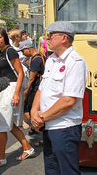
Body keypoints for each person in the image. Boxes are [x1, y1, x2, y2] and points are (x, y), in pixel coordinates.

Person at [31, 21, 88, 175]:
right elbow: (41, 89)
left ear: (63, 38)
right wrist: (34, 111)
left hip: (65, 128)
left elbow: (69, 100)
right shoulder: (51, 60)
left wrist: (41, 117)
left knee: (67, 171)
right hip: (49, 126)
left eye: (50, 35)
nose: (47, 39)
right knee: (51, 170)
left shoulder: (75, 62)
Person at [0, 27, 34, 169]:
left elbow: (19, 73)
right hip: (4, 88)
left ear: (4, 37)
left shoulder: (10, 51)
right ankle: (27, 147)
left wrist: (16, 93)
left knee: (0, 124)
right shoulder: (0, 52)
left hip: (11, 88)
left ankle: (1, 158)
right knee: (7, 122)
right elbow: (2, 74)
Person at [18, 39, 45, 137]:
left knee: (28, 109)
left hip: (35, 89)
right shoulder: (40, 56)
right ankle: (36, 128)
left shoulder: (35, 60)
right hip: (39, 87)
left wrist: (25, 91)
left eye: (23, 51)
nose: (22, 53)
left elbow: (31, 78)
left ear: (28, 49)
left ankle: (40, 130)